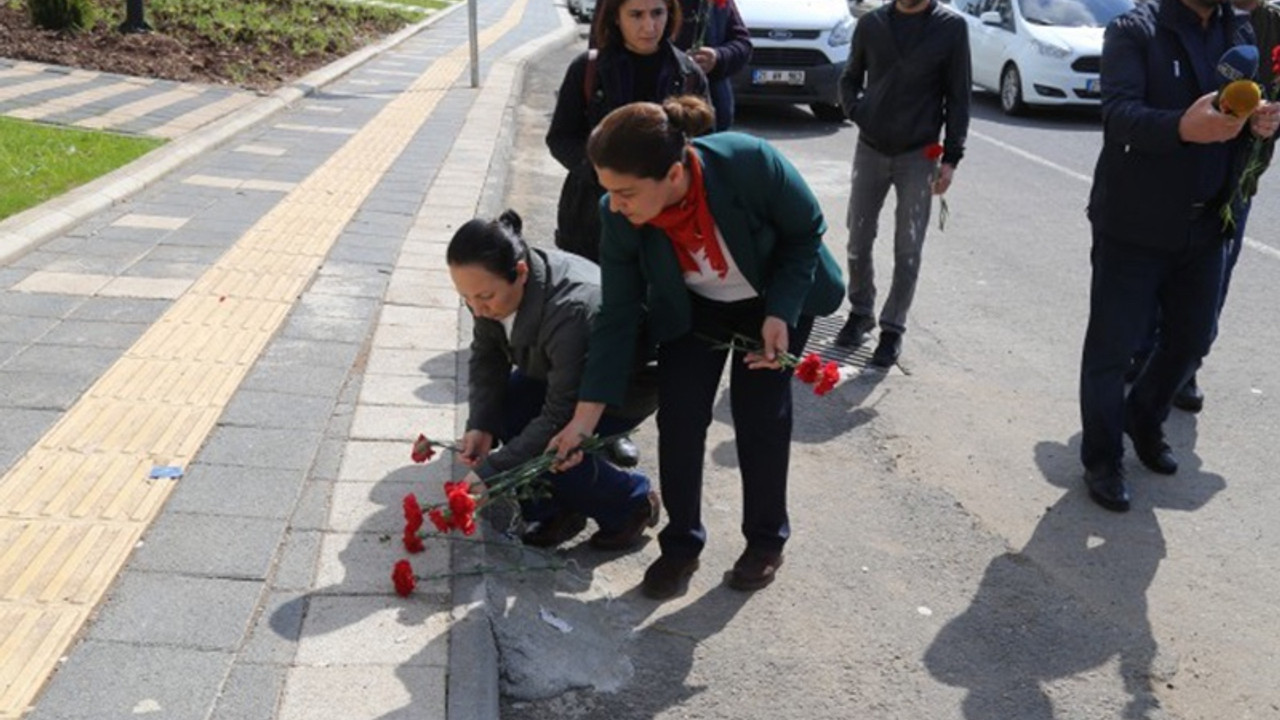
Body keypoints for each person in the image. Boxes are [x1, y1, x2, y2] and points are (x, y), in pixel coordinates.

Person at [547, 97, 845, 600]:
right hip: (693, 309)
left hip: (771, 296)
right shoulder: (618, 215)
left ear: (674, 173)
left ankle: (766, 539)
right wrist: (583, 418)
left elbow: (804, 233)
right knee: (680, 417)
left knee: (760, 416)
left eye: (625, 193)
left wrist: (781, 314)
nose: (615, 206)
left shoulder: (748, 162)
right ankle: (681, 545)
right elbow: (617, 317)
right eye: (609, 193)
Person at [1079, 0, 1279, 513]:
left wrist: (1261, 123)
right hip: (1133, 225)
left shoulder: (1237, 28)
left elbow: (1238, 109)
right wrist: (1181, 128)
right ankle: (1102, 459)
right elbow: (1118, 116)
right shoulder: (1134, 30)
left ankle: (1144, 417)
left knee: (1193, 339)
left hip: (1209, 221)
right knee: (1112, 349)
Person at [447, 210, 660, 549]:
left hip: (621, 388)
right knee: (505, 416)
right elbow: (487, 354)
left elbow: (560, 416)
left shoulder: (572, 310)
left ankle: (631, 503)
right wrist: (481, 424)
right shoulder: (490, 290)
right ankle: (557, 510)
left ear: (520, 272)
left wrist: (490, 474)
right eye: (466, 299)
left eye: (484, 298)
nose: (476, 309)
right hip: (552, 372)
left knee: (555, 449)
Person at [831, 0, 970, 368]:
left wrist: (951, 158)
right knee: (858, 237)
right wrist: (858, 112)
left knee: (908, 247)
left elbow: (959, 97)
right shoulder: (872, 24)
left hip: (919, 154)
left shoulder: (950, 28)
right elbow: (849, 77)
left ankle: (893, 328)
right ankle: (861, 312)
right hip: (871, 148)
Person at [546, 0, 711, 264]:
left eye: (657, 13)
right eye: (636, 15)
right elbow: (560, 138)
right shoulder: (588, 69)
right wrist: (607, 177)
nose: (649, 25)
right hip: (593, 219)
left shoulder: (689, 75)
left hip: (668, 224)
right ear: (615, 17)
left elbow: (706, 148)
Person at [672, 0, 752, 131]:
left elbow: (743, 44)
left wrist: (718, 57)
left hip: (713, 114)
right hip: (666, 115)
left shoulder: (719, 3)